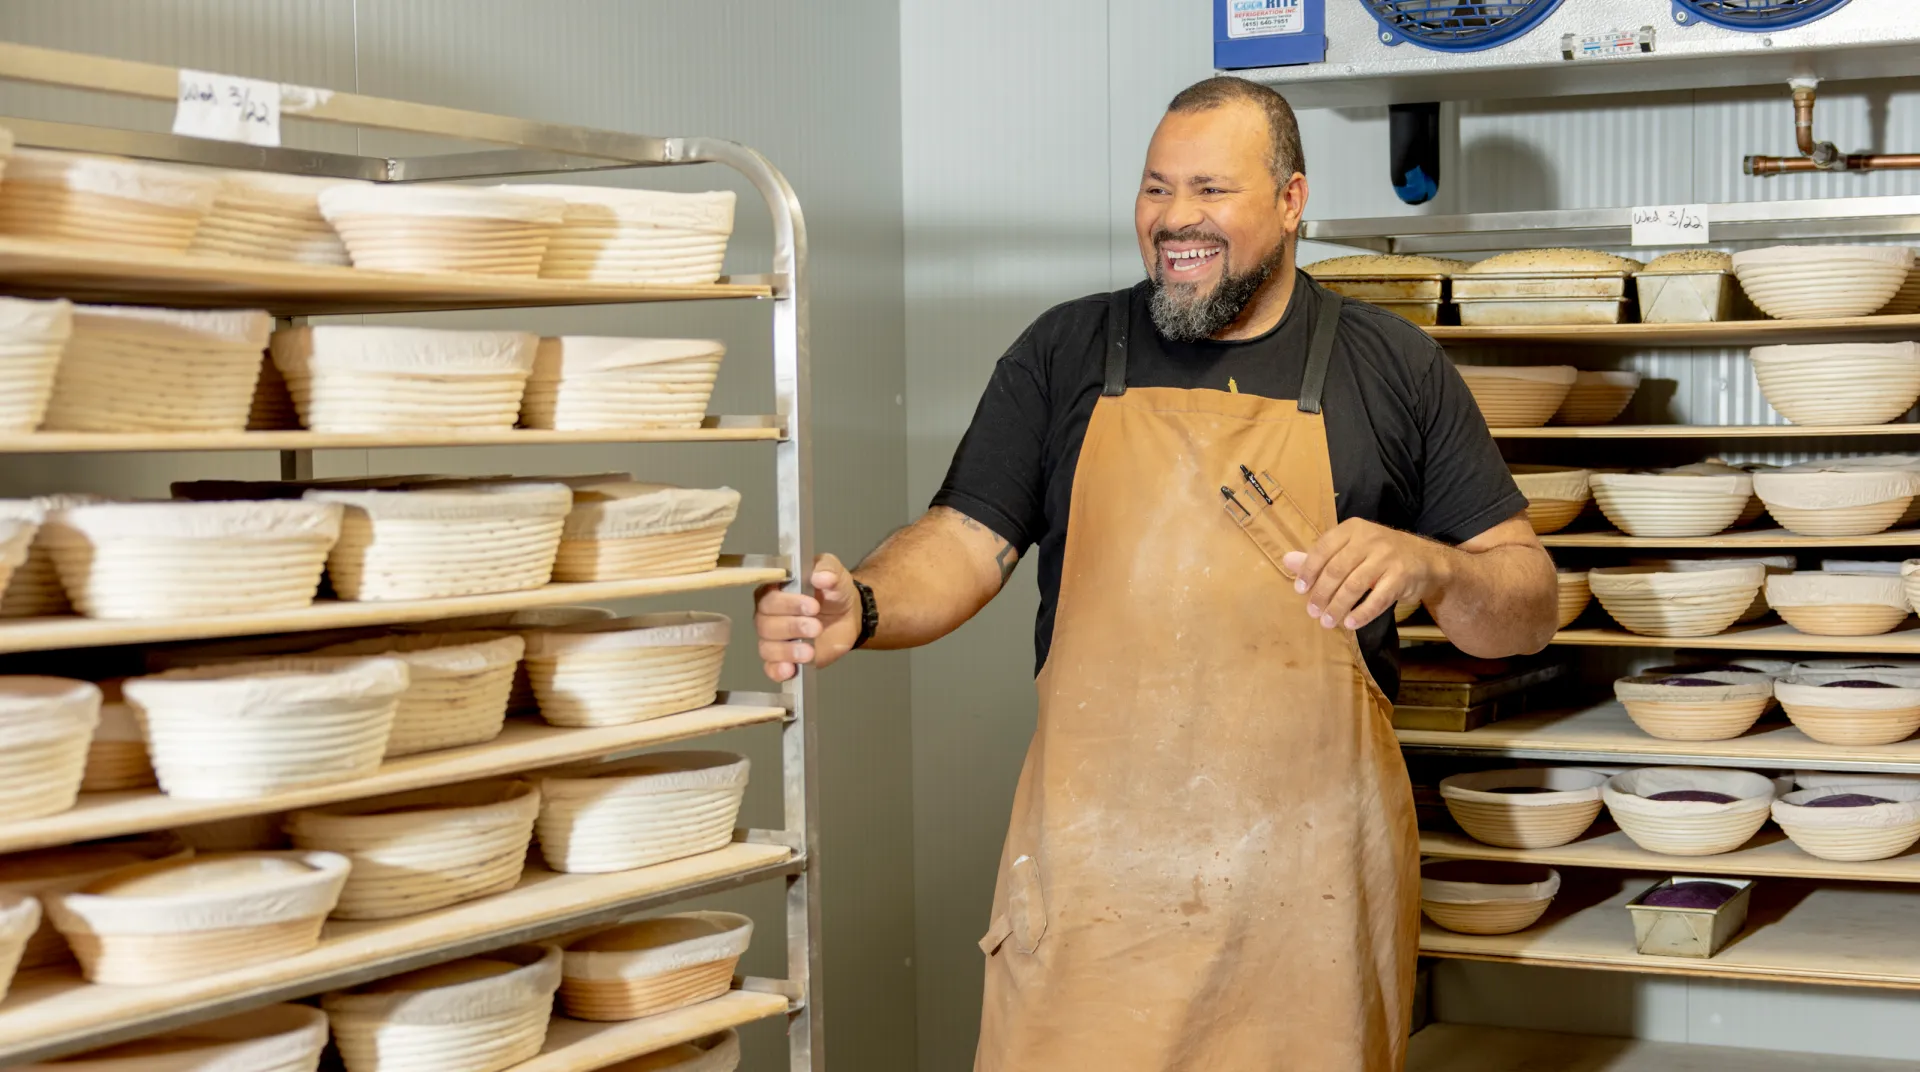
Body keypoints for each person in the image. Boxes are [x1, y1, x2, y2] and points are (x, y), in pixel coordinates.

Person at [755, 75, 1558, 1070]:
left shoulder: (1392, 367)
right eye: (1156, 187)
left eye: (1211, 189)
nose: (1176, 217)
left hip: (1306, 916)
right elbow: (963, 539)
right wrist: (865, 605)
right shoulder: (1065, 352)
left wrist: (1432, 565)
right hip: (1098, 902)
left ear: (1293, 200)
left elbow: (1524, 607)